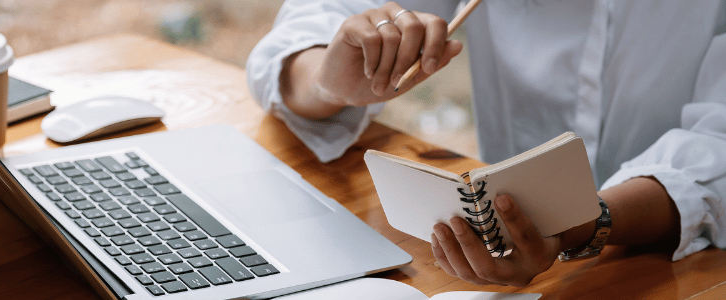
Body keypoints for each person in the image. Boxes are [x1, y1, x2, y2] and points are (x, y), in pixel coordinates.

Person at [246, 0, 726, 286]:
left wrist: (580, 223)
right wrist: (330, 81)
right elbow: (314, 26)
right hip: (502, 255)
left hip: (693, 268)